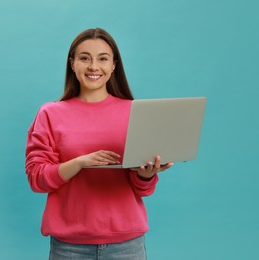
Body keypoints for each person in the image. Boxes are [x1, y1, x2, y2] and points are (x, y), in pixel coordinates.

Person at [25, 28, 173, 260]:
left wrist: (147, 175)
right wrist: (80, 162)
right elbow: (37, 178)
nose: (94, 66)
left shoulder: (134, 112)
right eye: (85, 58)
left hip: (127, 245)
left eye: (103, 59)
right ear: (72, 64)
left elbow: (143, 188)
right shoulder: (50, 114)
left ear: (114, 65)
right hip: (70, 246)